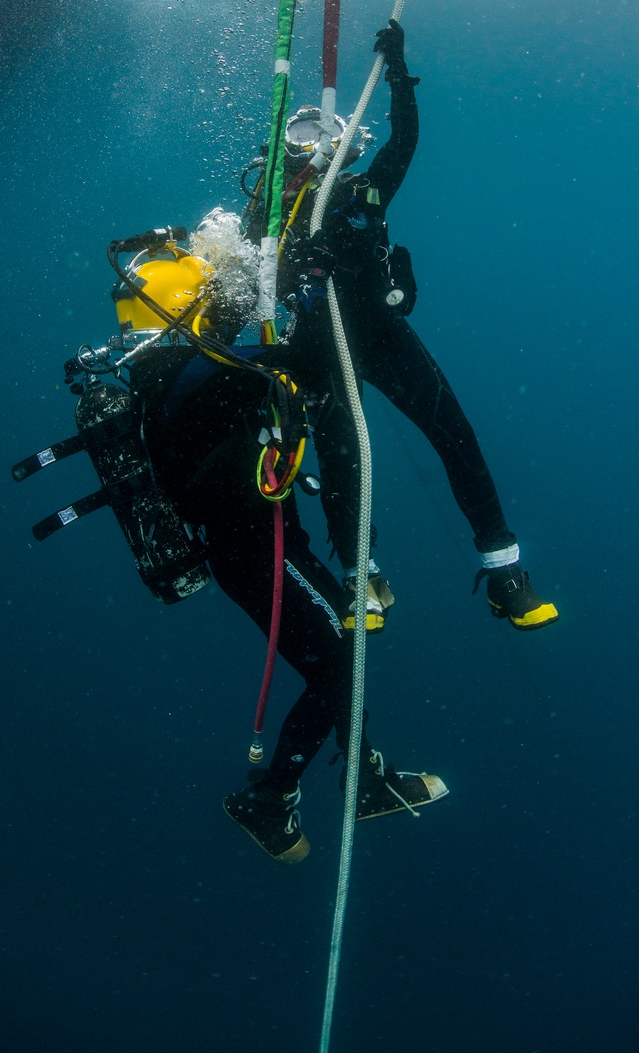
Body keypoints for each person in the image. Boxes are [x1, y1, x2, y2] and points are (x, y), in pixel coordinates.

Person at [249, 20, 559, 632]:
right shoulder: (271, 208)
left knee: (457, 436)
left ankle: (505, 573)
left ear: (346, 143)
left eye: (326, 132)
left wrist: (399, 75)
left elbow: (406, 141)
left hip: (383, 336)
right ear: (285, 145)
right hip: (321, 350)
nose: (314, 144)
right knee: (344, 462)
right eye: (301, 132)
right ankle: (360, 574)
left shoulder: (365, 191)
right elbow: (259, 289)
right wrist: (292, 264)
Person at [143, 340, 449, 862]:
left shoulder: (210, 371)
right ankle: (275, 796)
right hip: (256, 552)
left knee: (344, 654)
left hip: (261, 546)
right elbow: (236, 472)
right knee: (340, 658)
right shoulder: (232, 373)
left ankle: (361, 779)